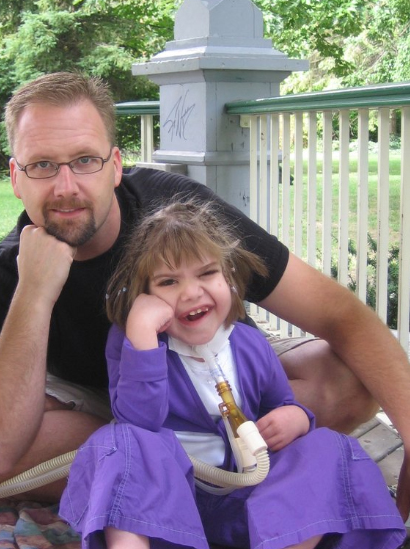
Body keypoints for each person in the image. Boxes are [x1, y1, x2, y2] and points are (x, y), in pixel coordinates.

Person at [0, 71, 410, 521]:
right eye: (42, 165)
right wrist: (35, 292)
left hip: (213, 379)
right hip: (97, 407)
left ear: (115, 165)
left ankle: (158, 475)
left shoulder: (180, 214)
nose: (66, 187)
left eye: (85, 160)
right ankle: (191, 470)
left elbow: (339, 313)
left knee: (353, 376)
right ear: (16, 176)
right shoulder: (9, 269)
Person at [58, 198, 407, 549]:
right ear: (143, 294)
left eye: (207, 273)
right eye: (168, 282)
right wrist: (142, 336)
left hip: (251, 508)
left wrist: (295, 417)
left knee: (328, 447)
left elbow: (281, 401)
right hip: (166, 515)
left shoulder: (249, 344)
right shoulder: (135, 342)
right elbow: (139, 421)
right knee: (119, 442)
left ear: (231, 278)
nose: (191, 292)